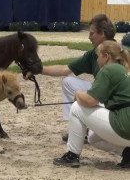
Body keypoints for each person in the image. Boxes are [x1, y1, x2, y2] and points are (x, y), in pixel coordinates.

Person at [32, 14, 116, 142]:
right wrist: (37, 70)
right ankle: (76, 128)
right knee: (68, 81)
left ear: (103, 34)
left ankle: (90, 128)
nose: (89, 37)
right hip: (101, 93)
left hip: (115, 101)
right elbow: (65, 69)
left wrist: (85, 98)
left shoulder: (119, 53)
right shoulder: (93, 54)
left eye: (92, 33)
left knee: (96, 138)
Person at [52, 40, 130, 168]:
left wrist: (77, 94)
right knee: (93, 138)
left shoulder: (108, 69)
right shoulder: (121, 69)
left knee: (77, 107)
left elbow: (89, 101)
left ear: (106, 57)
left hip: (125, 124)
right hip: (126, 122)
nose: (97, 59)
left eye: (98, 55)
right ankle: (128, 154)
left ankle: (72, 155)